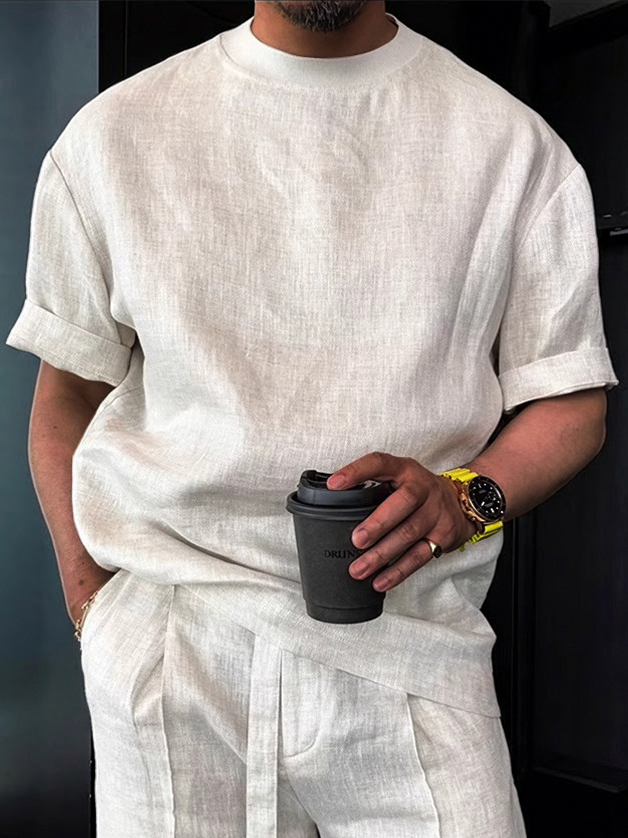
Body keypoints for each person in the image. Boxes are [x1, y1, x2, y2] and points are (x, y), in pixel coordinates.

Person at [5, 2, 619, 836]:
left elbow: (571, 399)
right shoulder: (113, 137)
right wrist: (94, 610)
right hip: (173, 652)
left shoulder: (513, 148)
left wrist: (465, 498)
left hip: (414, 648)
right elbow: (67, 393)